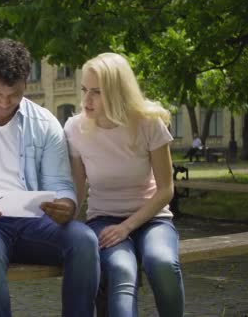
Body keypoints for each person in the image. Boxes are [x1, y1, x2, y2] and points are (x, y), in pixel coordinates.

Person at [0, 38, 100, 317]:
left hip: (32, 224)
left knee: (84, 240)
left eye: (13, 95)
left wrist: (67, 205)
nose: (3, 103)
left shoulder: (45, 121)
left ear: (25, 82)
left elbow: (60, 183)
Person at [64, 52, 185, 317]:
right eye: (84, 89)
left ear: (119, 92)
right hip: (103, 219)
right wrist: (66, 226)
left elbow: (166, 190)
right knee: (121, 268)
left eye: (96, 92)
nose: (86, 100)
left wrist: (127, 227)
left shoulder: (149, 124)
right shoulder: (74, 129)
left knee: (162, 262)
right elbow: (77, 187)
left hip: (153, 219)